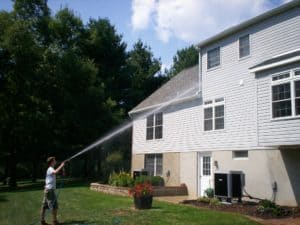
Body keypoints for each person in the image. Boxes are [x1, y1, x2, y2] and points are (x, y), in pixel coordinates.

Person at [40, 157, 65, 225]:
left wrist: (62, 170)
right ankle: (55, 221)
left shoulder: (50, 169)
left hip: (47, 190)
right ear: (51, 162)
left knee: (44, 206)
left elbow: (48, 178)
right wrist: (61, 165)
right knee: (55, 206)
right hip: (50, 191)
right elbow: (55, 172)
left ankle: (42, 221)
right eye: (54, 160)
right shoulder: (50, 169)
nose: (55, 161)